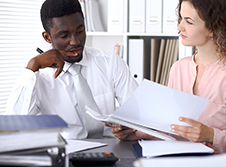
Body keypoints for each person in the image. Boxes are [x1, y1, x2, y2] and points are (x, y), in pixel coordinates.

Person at [110, 0, 226, 156]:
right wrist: (132, 132)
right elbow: (171, 128)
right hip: (176, 160)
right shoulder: (178, 68)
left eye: (189, 21)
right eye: (181, 19)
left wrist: (211, 135)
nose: (179, 27)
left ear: (213, 28)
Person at [5, 0, 138, 140]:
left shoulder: (111, 63)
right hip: (65, 153)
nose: (75, 41)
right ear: (47, 37)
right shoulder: (38, 77)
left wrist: (128, 127)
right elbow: (12, 128)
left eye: (80, 31)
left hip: (112, 151)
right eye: (64, 35)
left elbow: (139, 114)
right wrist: (32, 66)